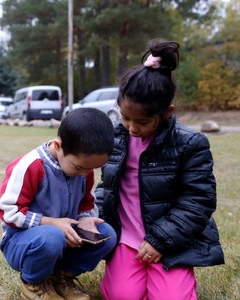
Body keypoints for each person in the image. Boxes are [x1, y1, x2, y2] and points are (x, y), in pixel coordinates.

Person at [96, 39, 225, 300]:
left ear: (167, 112)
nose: (132, 128)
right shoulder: (115, 139)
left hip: (170, 240)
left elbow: (198, 201)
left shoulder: (190, 144)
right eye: (125, 117)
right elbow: (106, 188)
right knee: (121, 296)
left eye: (142, 121)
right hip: (126, 238)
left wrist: (160, 239)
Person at [0, 108, 117, 300]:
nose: (86, 174)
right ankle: (34, 283)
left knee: (107, 234)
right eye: (79, 167)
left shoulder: (83, 170)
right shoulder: (30, 166)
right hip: (23, 240)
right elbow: (8, 211)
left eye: (92, 169)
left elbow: (86, 203)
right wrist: (52, 223)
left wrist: (86, 219)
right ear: (59, 145)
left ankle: (61, 276)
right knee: (51, 237)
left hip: (62, 236)